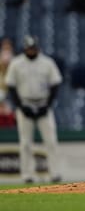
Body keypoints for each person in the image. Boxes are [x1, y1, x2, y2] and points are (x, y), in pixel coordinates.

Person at [5, 35, 63, 183]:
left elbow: (55, 85)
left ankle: (54, 173)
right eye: (29, 48)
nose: (31, 50)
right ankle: (27, 175)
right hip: (25, 103)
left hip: (43, 103)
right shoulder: (16, 63)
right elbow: (11, 87)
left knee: (51, 141)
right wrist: (21, 106)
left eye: (33, 48)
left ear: (38, 47)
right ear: (24, 48)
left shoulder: (47, 63)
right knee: (25, 143)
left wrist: (47, 105)